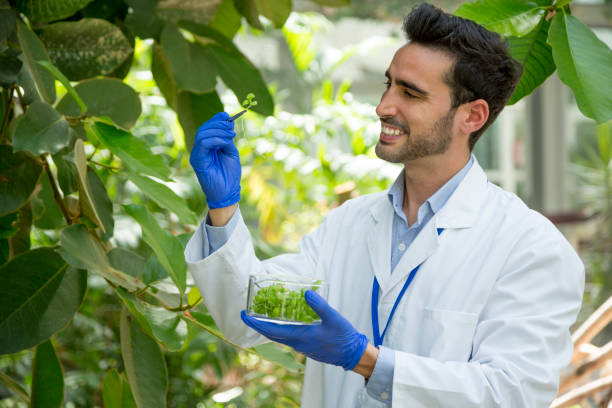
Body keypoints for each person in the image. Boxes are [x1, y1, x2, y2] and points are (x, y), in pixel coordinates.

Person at [184, 3, 585, 407]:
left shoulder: (530, 247)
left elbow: (510, 393)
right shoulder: (348, 225)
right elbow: (250, 316)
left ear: (472, 117)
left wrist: (364, 360)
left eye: (410, 93)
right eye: (388, 85)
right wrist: (223, 209)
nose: (383, 107)